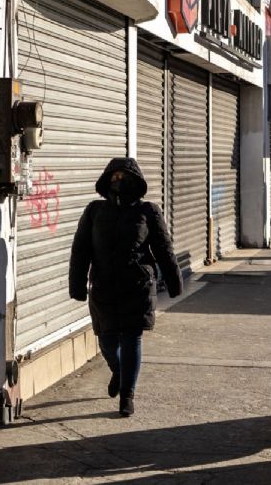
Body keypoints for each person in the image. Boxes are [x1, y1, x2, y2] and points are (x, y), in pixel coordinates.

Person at [69, 158, 182, 417]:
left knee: (132, 339)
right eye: (115, 176)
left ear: (137, 181)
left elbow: (164, 249)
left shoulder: (148, 212)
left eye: (125, 177)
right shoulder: (94, 211)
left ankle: (128, 395)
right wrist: (77, 285)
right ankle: (119, 371)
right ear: (107, 179)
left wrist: (174, 282)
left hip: (137, 286)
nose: (119, 181)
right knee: (107, 341)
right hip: (104, 287)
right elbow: (81, 251)